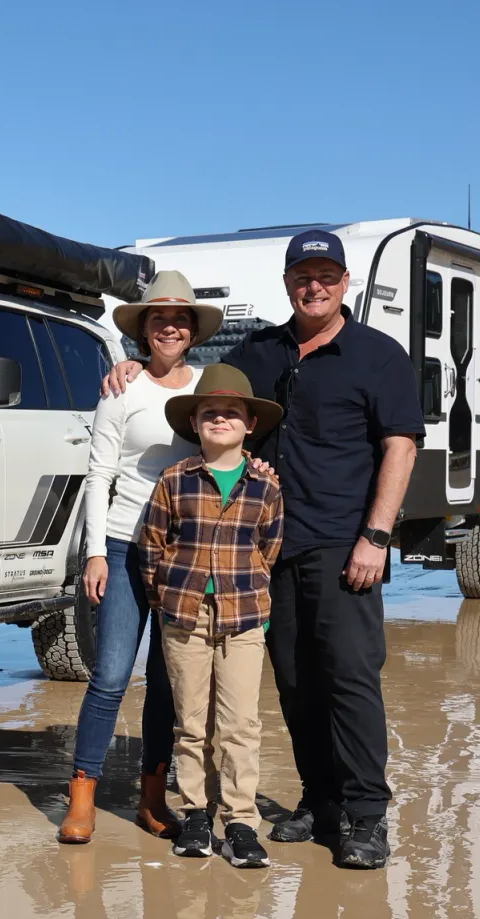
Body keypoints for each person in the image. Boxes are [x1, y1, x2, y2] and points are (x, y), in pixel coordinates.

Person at [104, 229, 423, 869]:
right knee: (296, 681)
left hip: (343, 544)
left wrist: (376, 536)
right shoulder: (260, 351)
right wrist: (140, 364)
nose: (315, 286)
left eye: (327, 275)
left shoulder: (378, 356)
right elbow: (200, 390)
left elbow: (400, 446)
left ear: (345, 283)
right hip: (265, 551)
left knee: (351, 679)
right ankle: (320, 800)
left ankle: (365, 815)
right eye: (303, 276)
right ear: (287, 284)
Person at [57, 271, 221, 845]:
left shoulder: (208, 388)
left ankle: (152, 798)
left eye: (180, 318)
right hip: (126, 544)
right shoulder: (119, 389)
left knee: (165, 681)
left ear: (193, 330)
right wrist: (95, 554)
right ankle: (83, 795)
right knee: (108, 675)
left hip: (185, 552)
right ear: (143, 330)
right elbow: (98, 474)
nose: (169, 326)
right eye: (158, 318)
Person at [139, 365, 283, 868]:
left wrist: (255, 608)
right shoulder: (175, 480)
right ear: (195, 424)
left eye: (231, 413)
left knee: (242, 723)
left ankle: (241, 821)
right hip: (184, 617)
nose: (220, 419)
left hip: (244, 620)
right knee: (191, 724)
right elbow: (152, 547)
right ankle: (195, 813)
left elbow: (269, 549)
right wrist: (167, 602)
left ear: (249, 426)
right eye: (209, 413)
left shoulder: (265, 487)